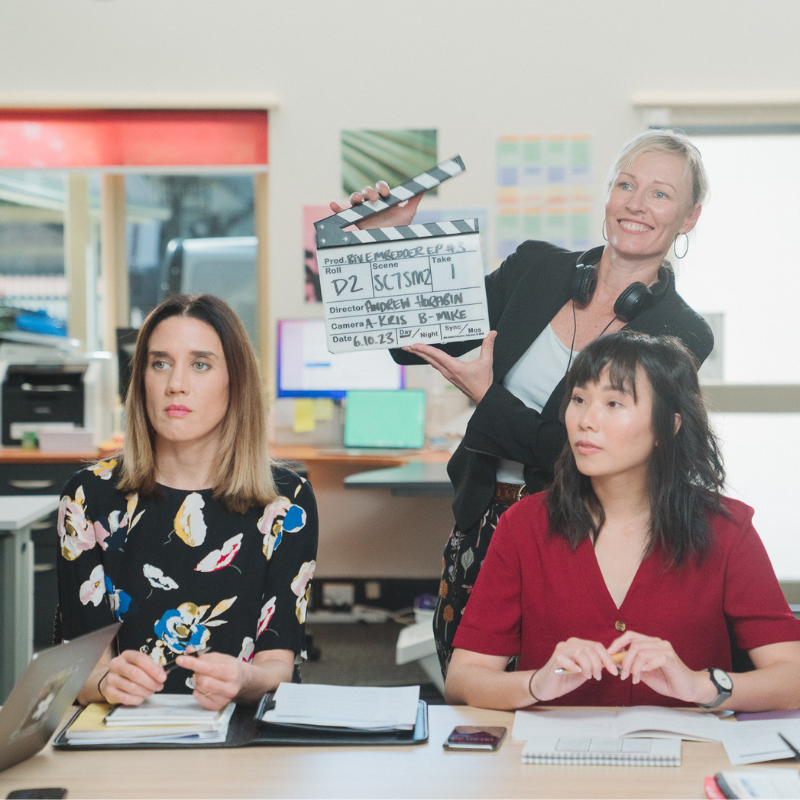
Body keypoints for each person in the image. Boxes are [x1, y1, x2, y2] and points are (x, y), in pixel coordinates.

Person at [331, 129, 715, 676]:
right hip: (481, 519)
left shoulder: (681, 333)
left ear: (689, 217)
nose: (636, 203)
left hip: (585, 535)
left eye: (660, 193)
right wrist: (390, 242)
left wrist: (487, 398)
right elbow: (414, 341)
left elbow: (577, 450)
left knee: (562, 691)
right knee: (470, 687)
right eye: (625, 185)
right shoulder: (536, 268)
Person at [444, 331, 800, 711]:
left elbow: (791, 676)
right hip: (555, 749)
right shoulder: (524, 525)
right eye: (579, 399)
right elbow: (462, 680)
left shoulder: (727, 528)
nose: (586, 421)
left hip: (687, 748)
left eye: (614, 403)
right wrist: (535, 684)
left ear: (669, 426)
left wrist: (700, 685)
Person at [56, 294, 318, 711]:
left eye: (200, 365)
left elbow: (276, 667)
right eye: (160, 363)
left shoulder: (286, 502)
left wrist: (244, 679)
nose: (175, 384)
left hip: (241, 728)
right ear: (141, 379)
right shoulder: (88, 496)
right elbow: (82, 673)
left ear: (236, 382)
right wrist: (106, 683)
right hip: (125, 729)